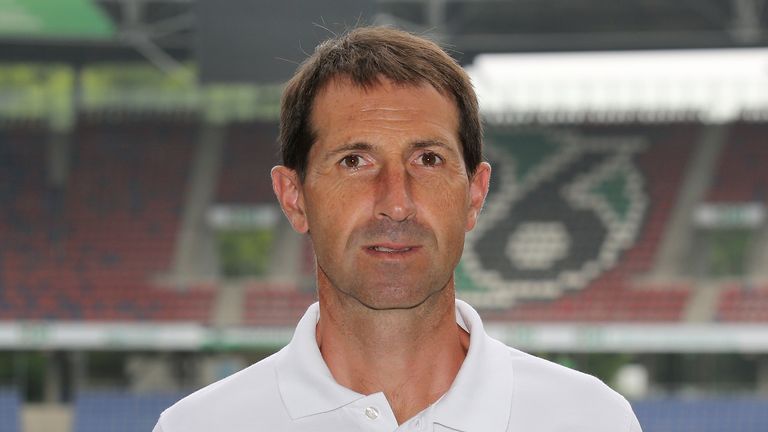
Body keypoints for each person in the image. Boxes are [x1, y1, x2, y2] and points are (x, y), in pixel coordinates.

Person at [153, 26, 642, 432]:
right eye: (355, 161)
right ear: (293, 197)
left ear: (475, 193)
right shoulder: (198, 426)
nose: (396, 203)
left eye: (427, 160)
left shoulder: (592, 420)